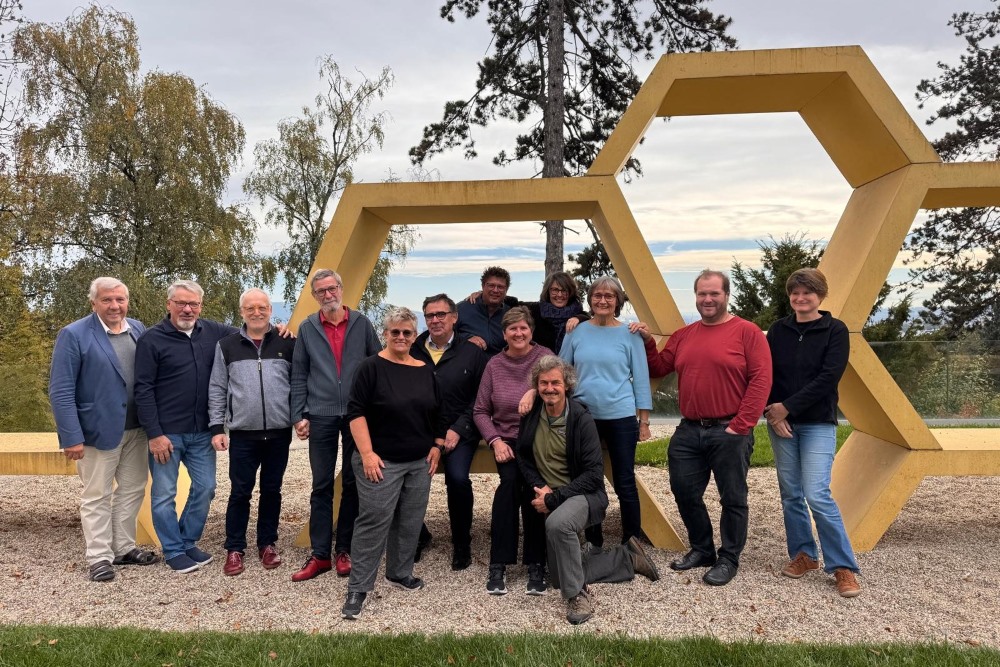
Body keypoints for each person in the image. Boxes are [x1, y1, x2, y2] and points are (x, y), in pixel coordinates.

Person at [634, 269, 771, 587]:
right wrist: (646, 342)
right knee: (683, 491)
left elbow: (761, 380)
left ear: (726, 295)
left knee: (733, 497)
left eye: (714, 293)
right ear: (695, 297)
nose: (707, 299)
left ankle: (729, 558)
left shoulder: (747, 332)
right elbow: (660, 366)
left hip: (730, 429)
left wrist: (742, 425)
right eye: (702, 294)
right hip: (689, 430)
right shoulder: (684, 335)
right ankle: (702, 549)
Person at [518, 355, 660, 625]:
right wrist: (539, 486)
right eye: (544, 383)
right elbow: (523, 456)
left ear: (567, 385)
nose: (550, 388)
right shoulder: (531, 415)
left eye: (555, 383)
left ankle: (577, 596)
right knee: (558, 576)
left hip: (583, 495)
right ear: (536, 385)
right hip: (549, 493)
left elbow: (594, 474)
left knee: (558, 525)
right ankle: (628, 558)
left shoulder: (581, 419)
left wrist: (554, 498)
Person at [49, 277, 159, 582]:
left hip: (137, 430)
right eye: (108, 300)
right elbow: (61, 389)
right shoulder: (74, 335)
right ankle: (98, 556)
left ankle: (123, 547)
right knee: (96, 495)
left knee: (133, 489)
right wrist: (71, 436)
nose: (115, 306)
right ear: (94, 302)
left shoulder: (137, 329)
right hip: (96, 433)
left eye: (120, 300)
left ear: (128, 301)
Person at [340, 307, 445, 620]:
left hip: (419, 461)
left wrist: (438, 445)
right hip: (380, 460)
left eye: (407, 332)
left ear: (415, 336)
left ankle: (399, 572)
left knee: (410, 519)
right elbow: (355, 412)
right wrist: (368, 454)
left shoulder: (424, 368)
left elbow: (439, 411)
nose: (401, 337)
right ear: (385, 334)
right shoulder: (370, 367)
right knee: (374, 520)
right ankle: (359, 587)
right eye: (395, 332)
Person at [764, 268, 861, 598]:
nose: (800, 297)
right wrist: (772, 412)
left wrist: (785, 407)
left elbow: (828, 377)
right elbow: (765, 374)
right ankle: (804, 555)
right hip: (781, 423)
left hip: (817, 422)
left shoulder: (835, 330)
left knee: (817, 493)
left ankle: (843, 566)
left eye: (808, 292)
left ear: (821, 295)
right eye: (795, 292)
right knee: (791, 493)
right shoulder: (778, 330)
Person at [135, 279, 241, 573]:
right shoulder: (151, 339)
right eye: (181, 302)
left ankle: (187, 541)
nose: (187, 308)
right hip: (166, 434)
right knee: (164, 494)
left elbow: (251, 333)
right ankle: (172, 550)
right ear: (168, 304)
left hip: (202, 432)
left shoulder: (214, 332)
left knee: (206, 488)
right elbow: (142, 389)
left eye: (193, 303)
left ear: (200, 306)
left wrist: (281, 330)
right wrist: (154, 434)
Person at [290, 269, 381, 582]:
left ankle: (344, 550)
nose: (328, 295)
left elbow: (377, 367)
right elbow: (299, 374)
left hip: (358, 414)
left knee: (355, 483)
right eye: (321, 291)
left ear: (341, 290)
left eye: (332, 289)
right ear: (315, 296)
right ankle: (319, 555)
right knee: (321, 485)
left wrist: (376, 410)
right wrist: (299, 414)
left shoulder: (362, 323)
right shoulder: (307, 328)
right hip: (321, 414)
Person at [558, 275, 652, 546]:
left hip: (621, 416)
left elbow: (641, 378)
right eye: (597, 295)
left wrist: (643, 421)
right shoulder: (575, 331)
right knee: (589, 480)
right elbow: (561, 373)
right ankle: (593, 540)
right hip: (584, 417)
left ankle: (631, 542)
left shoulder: (630, 334)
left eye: (609, 296)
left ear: (618, 301)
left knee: (625, 482)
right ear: (590, 300)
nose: (603, 300)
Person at [208, 288, 296, 576]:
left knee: (272, 491)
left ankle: (267, 544)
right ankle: (235, 548)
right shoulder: (227, 345)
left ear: (271, 310)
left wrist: (298, 417)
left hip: (279, 432)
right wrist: (217, 426)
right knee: (240, 492)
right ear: (241, 311)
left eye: (262, 307)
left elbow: (298, 384)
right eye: (250, 308)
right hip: (243, 433)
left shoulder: (287, 343)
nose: (256, 312)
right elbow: (218, 388)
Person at [473, 306, 549, 596]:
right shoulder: (494, 365)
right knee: (507, 489)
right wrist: (494, 440)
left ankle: (536, 564)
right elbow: (480, 410)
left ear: (531, 330)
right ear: (504, 334)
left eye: (523, 328)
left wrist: (533, 390)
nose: (518, 333)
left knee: (535, 491)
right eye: (512, 329)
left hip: (540, 442)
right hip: (506, 442)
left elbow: (561, 390)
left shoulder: (544, 358)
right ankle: (499, 563)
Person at [409, 294, 487, 570]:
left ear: (454, 317)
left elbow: (480, 397)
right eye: (430, 315)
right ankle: (417, 536)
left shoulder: (472, 351)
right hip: (420, 431)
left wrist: (459, 428)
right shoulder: (413, 348)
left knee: (457, 478)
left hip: (460, 430)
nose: (435, 320)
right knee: (404, 478)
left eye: (441, 314)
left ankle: (462, 542)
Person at [467, 271, 588, 352]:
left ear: (570, 292)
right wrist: (483, 294)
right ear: (548, 291)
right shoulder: (535, 310)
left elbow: (590, 318)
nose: (559, 295)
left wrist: (579, 318)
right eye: (555, 290)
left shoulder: (578, 314)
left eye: (564, 290)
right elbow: (512, 302)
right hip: (539, 370)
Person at [456, 266, 512, 356]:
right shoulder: (461, 309)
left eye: (500, 287)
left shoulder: (510, 315)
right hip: (467, 366)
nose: (495, 290)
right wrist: (465, 339)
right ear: (483, 286)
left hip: (499, 368)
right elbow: (444, 337)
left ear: (506, 290)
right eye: (491, 285)